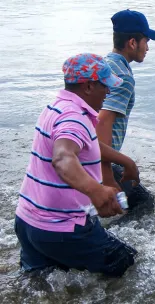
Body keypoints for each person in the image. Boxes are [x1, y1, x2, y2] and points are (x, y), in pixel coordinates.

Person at [14, 53, 138, 277]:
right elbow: (63, 158)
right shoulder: (74, 118)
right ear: (89, 86)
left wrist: (126, 161)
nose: (109, 92)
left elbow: (88, 144)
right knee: (127, 264)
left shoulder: (57, 107)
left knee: (39, 282)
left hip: (26, 221)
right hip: (61, 228)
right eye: (105, 86)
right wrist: (96, 190)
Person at [96, 9, 155, 211]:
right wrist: (106, 176)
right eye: (146, 41)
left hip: (86, 154)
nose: (148, 48)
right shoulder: (123, 77)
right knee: (144, 205)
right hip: (98, 159)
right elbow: (103, 122)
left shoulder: (103, 64)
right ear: (132, 42)